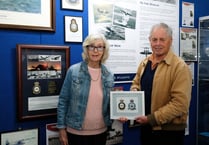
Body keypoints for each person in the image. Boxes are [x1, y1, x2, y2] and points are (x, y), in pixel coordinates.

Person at [121, 23, 192, 145]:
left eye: (162, 40)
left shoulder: (180, 67)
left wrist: (151, 119)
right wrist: (134, 92)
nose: (157, 44)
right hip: (146, 128)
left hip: (168, 133)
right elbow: (136, 82)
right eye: (154, 39)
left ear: (170, 41)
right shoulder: (145, 62)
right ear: (149, 41)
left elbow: (180, 104)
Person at [57, 33, 114, 145]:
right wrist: (61, 129)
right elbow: (63, 101)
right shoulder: (73, 71)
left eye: (99, 47)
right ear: (86, 49)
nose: (95, 51)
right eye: (92, 46)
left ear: (104, 50)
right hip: (76, 132)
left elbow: (110, 103)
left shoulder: (109, 75)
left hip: (101, 132)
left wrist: (120, 113)